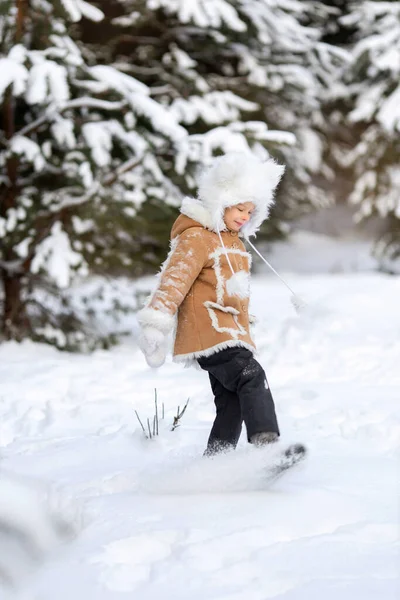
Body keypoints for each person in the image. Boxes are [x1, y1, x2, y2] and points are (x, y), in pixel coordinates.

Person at [137, 152, 285, 455]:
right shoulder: (197, 237)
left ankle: (216, 463)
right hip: (208, 331)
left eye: (250, 211)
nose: (244, 216)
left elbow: (228, 291)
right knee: (251, 376)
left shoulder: (233, 241)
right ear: (221, 201)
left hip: (231, 333)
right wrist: (156, 324)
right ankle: (266, 443)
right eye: (239, 208)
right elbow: (174, 279)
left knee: (231, 404)